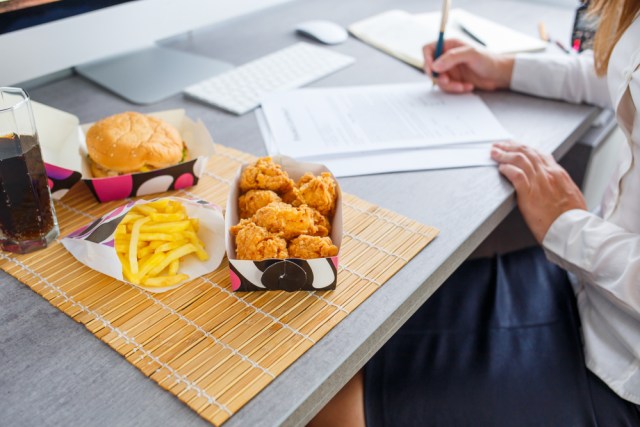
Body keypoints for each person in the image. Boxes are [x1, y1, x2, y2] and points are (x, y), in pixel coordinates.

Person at [309, 0, 640, 425]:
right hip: (591, 291)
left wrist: (568, 228)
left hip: (618, 374)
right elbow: (618, 72)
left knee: (328, 395)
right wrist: (501, 69)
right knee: (346, 324)